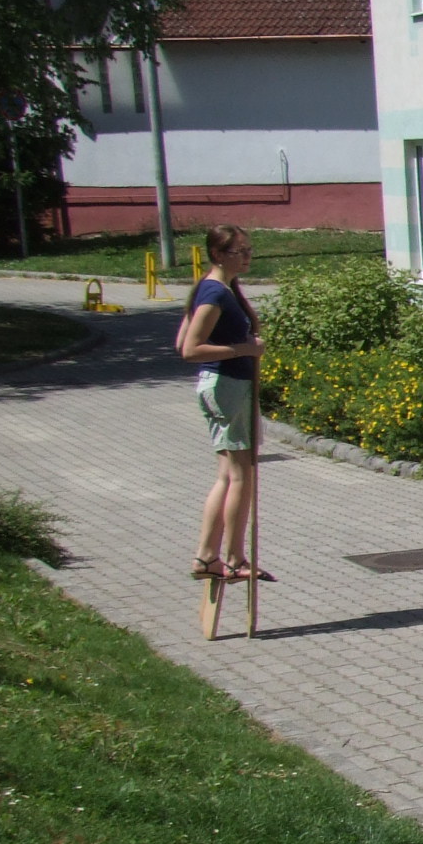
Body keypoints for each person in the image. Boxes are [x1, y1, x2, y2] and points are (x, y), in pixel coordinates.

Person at [175, 224, 270, 584]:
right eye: (239, 251)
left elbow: (182, 337)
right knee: (241, 475)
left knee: (227, 475)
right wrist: (244, 348)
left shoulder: (213, 288)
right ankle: (233, 558)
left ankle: (206, 556)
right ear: (217, 254)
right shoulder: (215, 292)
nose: (246, 257)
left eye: (249, 250)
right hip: (228, 386)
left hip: (222, 385)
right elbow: (189, 349)